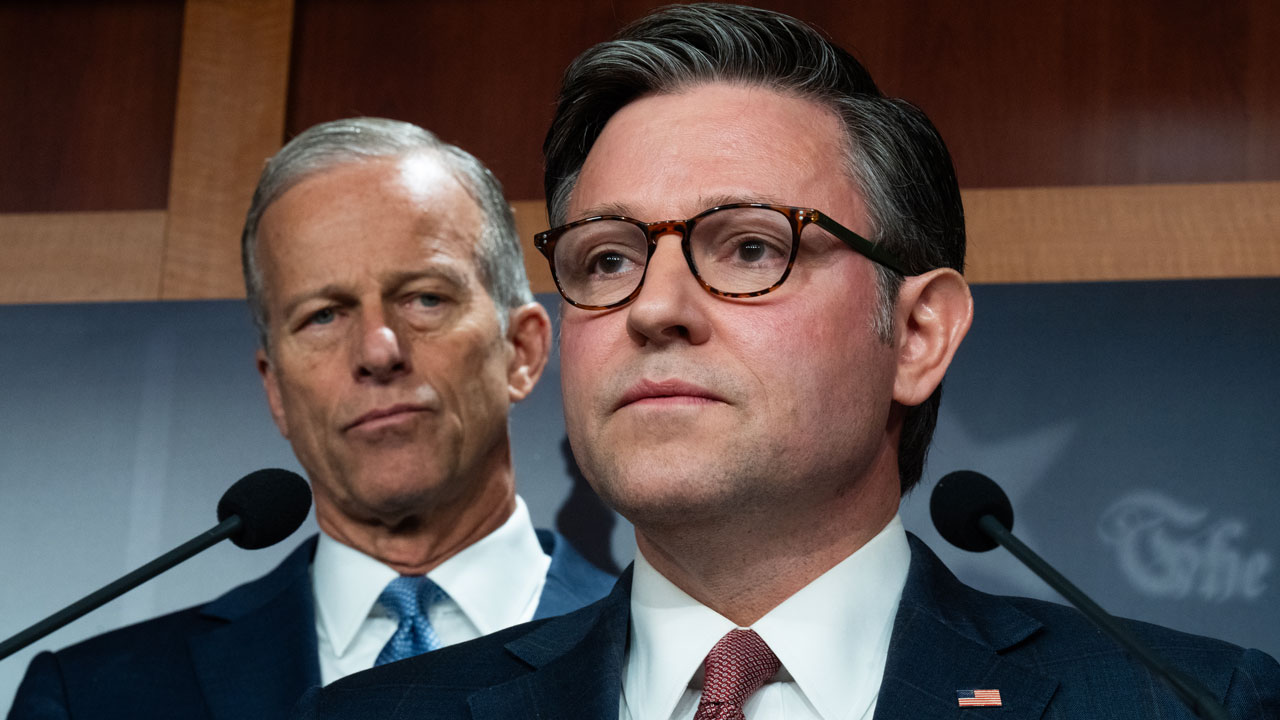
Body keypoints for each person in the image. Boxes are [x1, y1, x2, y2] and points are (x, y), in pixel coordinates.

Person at [294, 6, 1280, 719]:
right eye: (608, 260)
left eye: (749, 247)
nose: (655, 310)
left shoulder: (1186, 703)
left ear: (918, 334)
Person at [8, 118, 615, 720]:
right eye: (323, 315)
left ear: (521, 350)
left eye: (425, 298)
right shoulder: (91, 700)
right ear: (275, 389)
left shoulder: (667, 650)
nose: (378, 350)